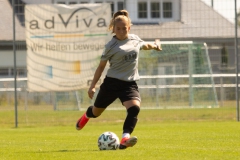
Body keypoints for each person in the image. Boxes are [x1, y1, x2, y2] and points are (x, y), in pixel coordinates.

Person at [76, 10, 162, 149]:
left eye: (124, 28)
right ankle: (86, 115)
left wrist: (155, 45)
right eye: (118, 28)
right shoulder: (111, 46)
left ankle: (124, 139)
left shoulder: (135, 39)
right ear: (113, 29)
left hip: (129, 84)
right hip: (111, 83)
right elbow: (101, 67)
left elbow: (145, 46)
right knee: (96, 113)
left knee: (134, 108)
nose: (121, 31)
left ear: (129, 28)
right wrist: (92, 86)